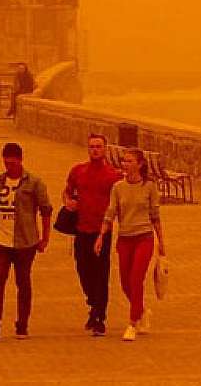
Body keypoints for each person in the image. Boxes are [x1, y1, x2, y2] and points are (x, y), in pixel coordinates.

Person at [0, 143, 52, 341]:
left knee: (23, 282)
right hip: (1, 240)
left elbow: (45, 210)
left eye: (12, 162)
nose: (9, 166)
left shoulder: (35, 183)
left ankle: (22, 323)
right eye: (6, 162)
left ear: (20, 160)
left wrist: (45, 238)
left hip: (25, 241)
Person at [96, 148, 166, 341]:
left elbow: (155, 216)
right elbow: (111, 212)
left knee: (136, 280)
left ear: (140, 164)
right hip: (125, 238)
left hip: (144, 238)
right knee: (125, 283)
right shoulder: (118, 187)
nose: (124, 164)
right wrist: (101, 236)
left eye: (129, 161)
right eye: (123, 161)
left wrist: (161, 242)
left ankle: (132, 323)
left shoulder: (149, 186)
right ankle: (142, 310)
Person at [63, 134, 122, 336]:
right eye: (91, 147)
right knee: (83, 269)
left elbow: (120, 202)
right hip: (81, 229)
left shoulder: (113, 176)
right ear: (88, 149)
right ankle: (93, 303)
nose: (95, 150)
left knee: (101, 272)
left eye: (98, 146)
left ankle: (99, 316)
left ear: (105, 149)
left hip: (102, 231)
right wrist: (68, 202)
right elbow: (67, 191)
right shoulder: (78, 171)